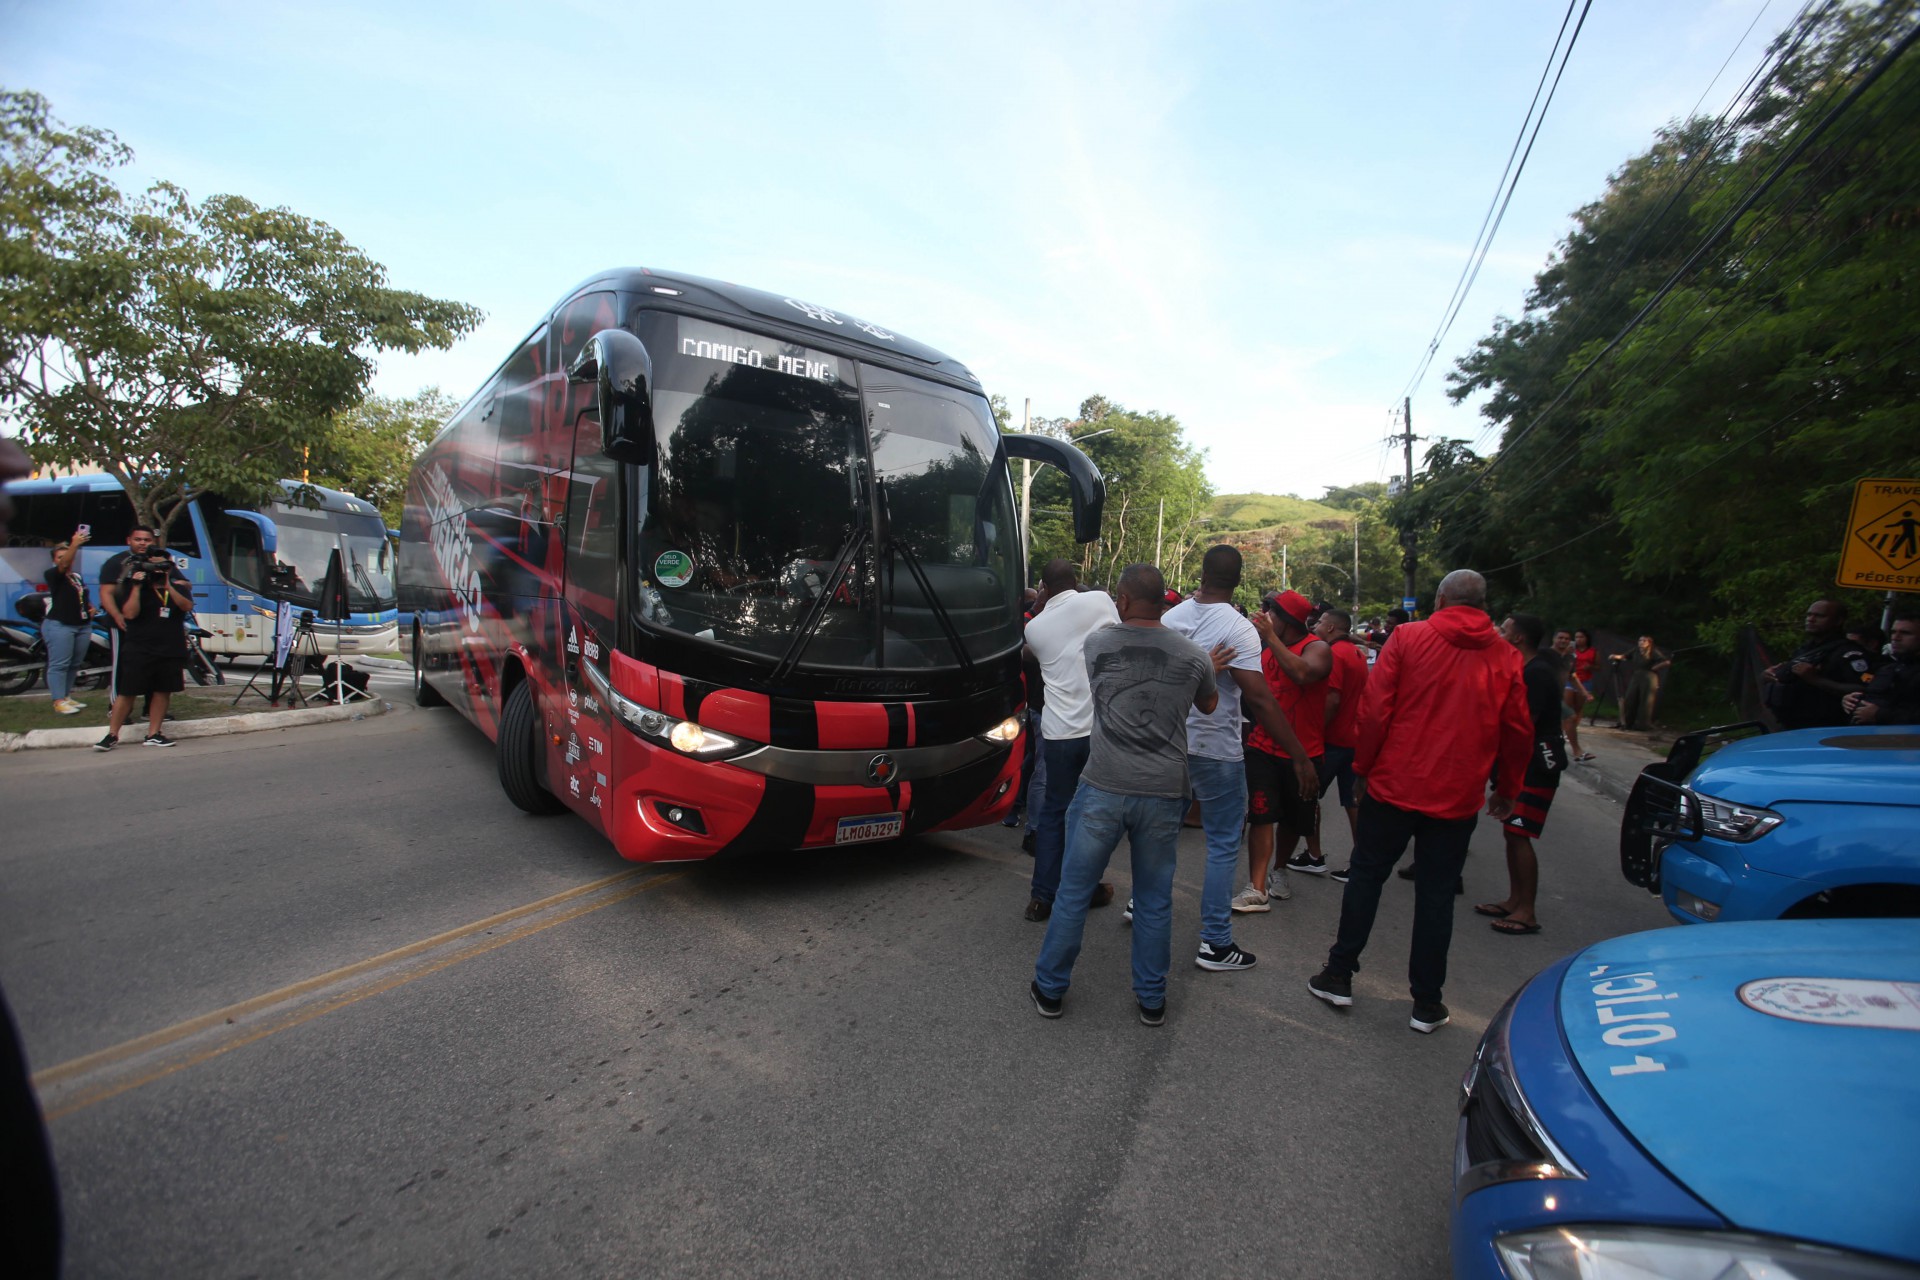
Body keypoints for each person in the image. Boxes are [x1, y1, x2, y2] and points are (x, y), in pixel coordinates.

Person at [1307, 569, 1530, 1035]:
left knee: (1367, 876)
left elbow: (1375, 710)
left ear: (1441, 597)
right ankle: (1426, 1003)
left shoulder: (1408, 638)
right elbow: (1517, 729)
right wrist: (1507, 789)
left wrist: (1364, 770)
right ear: (1483, 603)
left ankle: (1339, 974)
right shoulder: (1506, 656)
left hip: (1394, 784)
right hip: (1457, 794)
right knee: (1436, 896)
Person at [1030, 564, 1219, 1025]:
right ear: (1164, 601)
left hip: (1103, 787)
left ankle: (1051, 989)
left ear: (1125, 600)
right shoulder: (1195, 656)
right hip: (1164, 789)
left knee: (1073, 892)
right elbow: (1209, 704)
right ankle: (1152, 999)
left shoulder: (1098, 645)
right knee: (1154, 898)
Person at [1162, 546, 1315, 972]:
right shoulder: (1239, 628)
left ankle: (1144, 904)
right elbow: (1261, 700)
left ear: (1202, 573)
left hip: (1170, 742)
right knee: (1224, 843)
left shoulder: (1170, 619)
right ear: (1238, 579)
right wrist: (1299, 756)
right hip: (1215, 749)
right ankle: (1214, 943)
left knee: (1161, 832)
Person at [1020, 558, 1122, 920]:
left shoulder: (1037, 628)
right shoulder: (1098, 601)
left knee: (1054, 812)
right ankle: (1084, 889)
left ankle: (1042, 897)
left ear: (1044, 588)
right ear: (1075, 580)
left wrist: (1038, 607)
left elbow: (1030, 652)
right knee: (1091, 814)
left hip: (1059, 733)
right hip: (1099, 730)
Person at [1238, 589, 1331, 908]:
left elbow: (1302, 673)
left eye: (1271, 614)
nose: (1265, 619)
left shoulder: (1317, 648)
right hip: (1262, 748)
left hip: (1305, 755)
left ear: (1287, 620)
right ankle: (1257, 887)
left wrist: (1270, 640)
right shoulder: (1263, 650)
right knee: (1261, 815)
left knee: (1293, 820)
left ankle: (1280, 869)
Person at [1475, 613, 1567, 936]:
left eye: (1504, 629)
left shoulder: (1537, 673)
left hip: (1535, 768)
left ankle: (1526, 910)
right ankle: (1515, 899)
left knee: (1520, 832)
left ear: (1518, 639)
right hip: (1524, 765)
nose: (1498, 632)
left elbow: (1522, 726)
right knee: (1512, 832)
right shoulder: (1528, 668)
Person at [95, 525, 193, 751]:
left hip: (169, 645)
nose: (158, 568)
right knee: (127, 691)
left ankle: (154, 733)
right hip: (140, 645)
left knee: (162, 690)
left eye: (163, 565)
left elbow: (186, 605)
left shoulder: (175, 583)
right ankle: (112, 734)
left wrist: (169, 583)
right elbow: (130, 613)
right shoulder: (132, 577)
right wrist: (138, 587)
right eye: (154, 564)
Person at [1311, 608, 1369, 883]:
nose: (1317, 626)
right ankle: (1360, 860)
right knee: (1353, 801)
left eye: (1321, 622)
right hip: (1354, 737)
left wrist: (1313, 730)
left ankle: (1314, 854)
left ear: (1332, 628)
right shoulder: (1357, 653)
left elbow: (1332, 699)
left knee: (1308, 796)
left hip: (1333, 739)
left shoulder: (1334, 654)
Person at [1763, 599, 1873, 729]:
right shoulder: (1805, 649)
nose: (1811, 619)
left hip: (1829, 727)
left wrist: (1816, 679)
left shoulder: (1850, 653)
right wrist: (1769, 676)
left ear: (1838, 621)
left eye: (1819, 616)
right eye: (1809, 615)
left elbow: (1865, 687)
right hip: (1793, 724)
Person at [41, 527, 98, 714]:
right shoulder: (52, 575)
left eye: (68, 556)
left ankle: (66, 696)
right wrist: (74, 544)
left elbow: (81, 595)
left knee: (74, 663)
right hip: (60, 625)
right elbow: (63, 565)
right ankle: (57, 700)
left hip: (81, 625)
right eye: (60, 557)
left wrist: (90, 607)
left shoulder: (76, 577)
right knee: (59, 664)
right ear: (53, 560)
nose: (66, 560)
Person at [1844, 612, 1919, 724]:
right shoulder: (1888, 668)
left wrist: (1880, 714)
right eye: (1893, 632)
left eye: (1905, 633)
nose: (1896, 637)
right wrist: (1852, 701)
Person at [1613, 634, 1671, 731]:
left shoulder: (1653, 652)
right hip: (1637, 676)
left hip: (1649, 677)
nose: (1641, 642)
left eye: (1644, 641)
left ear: (1649, 643)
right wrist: (1615, 656)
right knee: (1630, 698)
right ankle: (1626, 722)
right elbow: (1625, 656)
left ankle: (1643, 725)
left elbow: (1666, 662)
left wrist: (1655, 667)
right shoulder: (1636, 650)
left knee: (1646, 700)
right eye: (1640, 640)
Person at [1566, 628, 1597, 757]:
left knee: (1575, 712)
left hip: (1583, 681)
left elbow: (1598, 666)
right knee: (1568, 711)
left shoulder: (1592, 652)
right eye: (1576, 637)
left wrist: (1585, 692)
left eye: (1581, 637)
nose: (1578, 640)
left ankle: (1574, 742)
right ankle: (1574, 746)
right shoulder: (1568, 651)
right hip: (1566, 682)